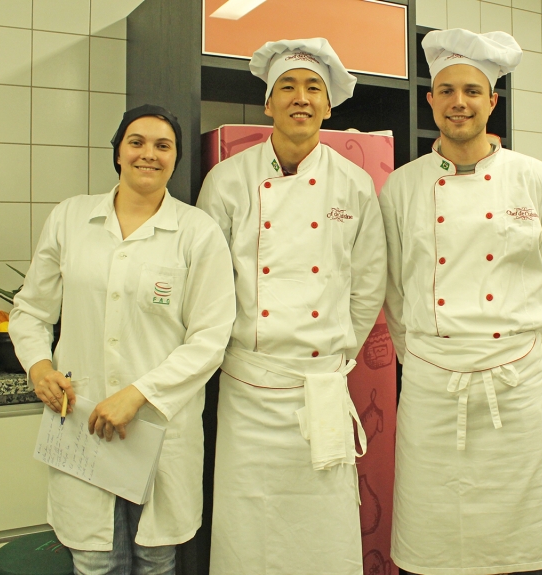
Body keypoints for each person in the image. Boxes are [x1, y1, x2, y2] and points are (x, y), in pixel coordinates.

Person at [9, 104, 236, 575]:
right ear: (118, 152)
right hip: (82, 420)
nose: (148, 154)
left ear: (175, 158)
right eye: (136, 142)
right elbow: (31, 309)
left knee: (156, 560)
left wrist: (137, 394)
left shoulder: (197, 232)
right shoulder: (71, 217)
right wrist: (39, 367)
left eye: (162, 146)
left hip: (157, 428)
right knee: (95, 562)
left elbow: (210, 338)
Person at [379, 29, 542, 575]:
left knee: (523, 537)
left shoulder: (533, 178)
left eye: (471, 90)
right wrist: (426, 357)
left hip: (516, 383)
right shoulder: (401, 187)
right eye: (446, 90)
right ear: (430, 100)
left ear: (492, 101)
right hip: (432, 386)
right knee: (432, 534)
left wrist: (522, 352)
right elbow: (392, 291)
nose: (458, 102)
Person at [197, 38, 387, 575]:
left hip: (319, 385)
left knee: (322, 529)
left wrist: (332, 349)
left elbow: (368, 284)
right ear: (268, 103)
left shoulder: (354, 185)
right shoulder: (226, 180)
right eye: (287, 87)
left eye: (312, 89)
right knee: (247, 526)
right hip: (248, 385)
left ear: (328, 106)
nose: (300, 98)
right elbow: (208, 285)